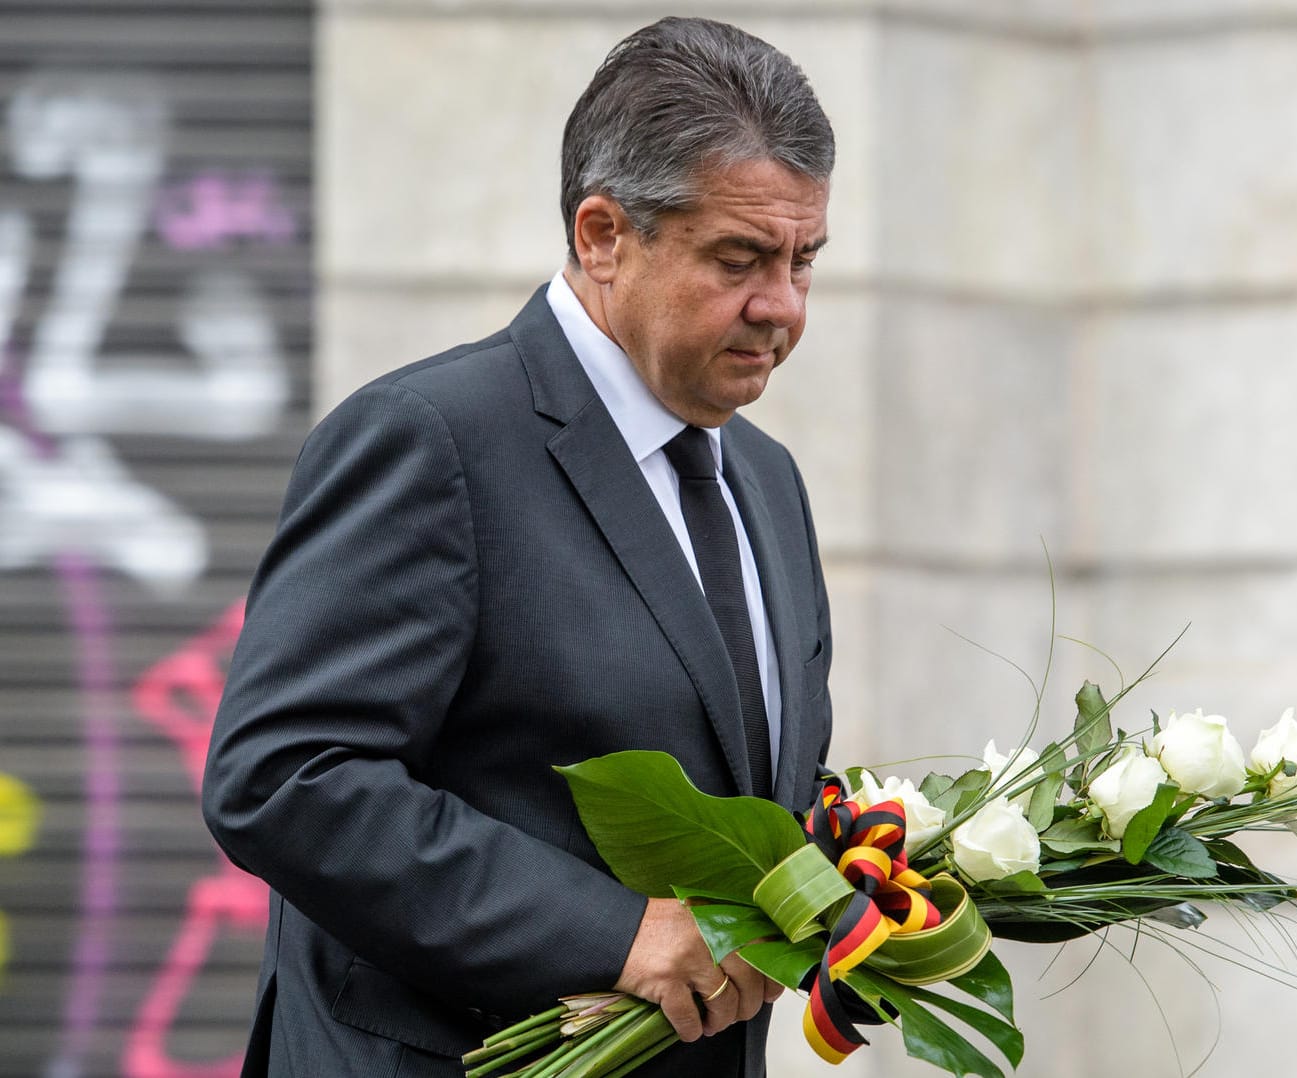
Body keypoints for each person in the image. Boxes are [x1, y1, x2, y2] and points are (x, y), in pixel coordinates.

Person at [202, 17, 835, 1077]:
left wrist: (867, 873)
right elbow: (283, 774)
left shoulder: (766, 479)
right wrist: (613, 934)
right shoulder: (431, 438)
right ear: (602, 235)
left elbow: (742, 795)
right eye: (740, 259)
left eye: (803, 261)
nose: (781, 308)